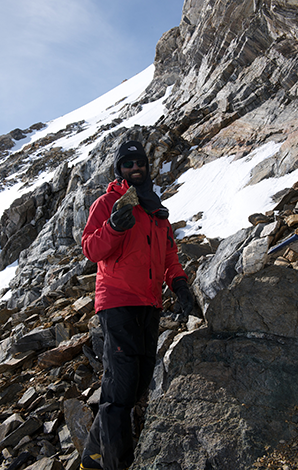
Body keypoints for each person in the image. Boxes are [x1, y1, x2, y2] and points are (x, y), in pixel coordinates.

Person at [80, 140, 193, 470]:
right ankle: (119, 464)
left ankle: (92, 457)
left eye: (139, 162)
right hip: (117, 301)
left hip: (150, 303)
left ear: (146, 167)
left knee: (136, 381)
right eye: (127, 164)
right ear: (119, 170)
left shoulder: (157, 212)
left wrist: (180, 285)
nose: (134, 168)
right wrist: (114, 227)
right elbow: (91, 249)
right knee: (123, 388)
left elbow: (169, 255)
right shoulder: (108, 203)